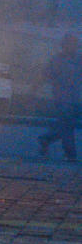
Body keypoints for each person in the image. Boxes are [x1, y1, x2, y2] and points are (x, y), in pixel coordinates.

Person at [37, 33, 81, 161]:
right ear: (64, 45)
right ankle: (70, 153)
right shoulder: (56, 60)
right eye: (69, 44)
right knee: (67, 126)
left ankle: (46, 138)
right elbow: (46, 74)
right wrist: (36, 87)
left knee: (66, 125)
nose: (72, 47)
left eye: (74, 44)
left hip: (76, 97)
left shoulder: (79, 58)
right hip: (62, 98)